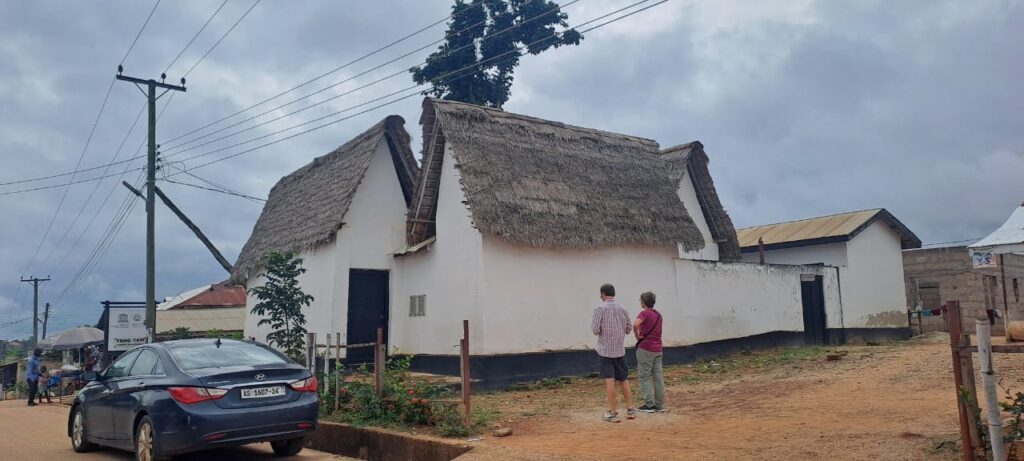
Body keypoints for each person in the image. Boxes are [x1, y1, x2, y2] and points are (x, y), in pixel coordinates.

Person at [591, 283, 635, 422]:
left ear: (603, 294)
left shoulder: (599, 309)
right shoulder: (623, 308)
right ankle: (630, 410)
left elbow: (595, 330)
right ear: (613, 293)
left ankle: (613, 412)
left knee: (610, 381)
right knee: (624, 379)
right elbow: (629, 328)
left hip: (605, 351)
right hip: (619, 350)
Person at [634, 291, 665, 413]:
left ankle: (649, 405)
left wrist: (637, 336)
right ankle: (660, 404)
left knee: (644, 377)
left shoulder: (644, 313)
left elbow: (635, 324)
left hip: (645, 348)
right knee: (658, 377)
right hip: (658, 349)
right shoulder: (659, 315)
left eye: (640, 300)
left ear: (644, 302)